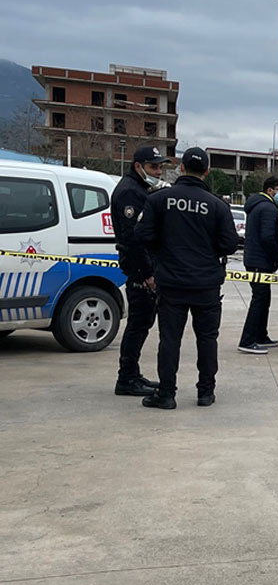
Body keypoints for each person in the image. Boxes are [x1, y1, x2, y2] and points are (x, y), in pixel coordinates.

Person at [133, 147, 239, 409]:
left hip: (171, 282)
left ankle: (167, 394)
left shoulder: (159, 199)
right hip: (206, 284)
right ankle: (206, 392)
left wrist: (164, 248)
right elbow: (229, 244)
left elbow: (142, 235)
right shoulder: (218, 205)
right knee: (207, 338)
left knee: (169, 340)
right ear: (206, 171)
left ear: (180, 168)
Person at [110, 144, 168, 396]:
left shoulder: (140, 189)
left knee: (142, 322)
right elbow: (133, 238)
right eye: (153, 166)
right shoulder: (129, 193)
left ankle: (132, 373)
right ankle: (126, 378)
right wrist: (146, 273)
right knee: (138, 323)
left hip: (144, 265)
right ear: (138, 166)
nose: (158, 171)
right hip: (138, 269)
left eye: (159, 166)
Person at [237, 176, 278, 354]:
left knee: (264, 299)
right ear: (270, 190)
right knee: (259, 299)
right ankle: (247, 340)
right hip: (260, 261)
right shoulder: (268, 208)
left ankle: (260, 335)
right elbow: (268, 237)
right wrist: (275, 257)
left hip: (253, 259)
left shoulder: (256, 206)